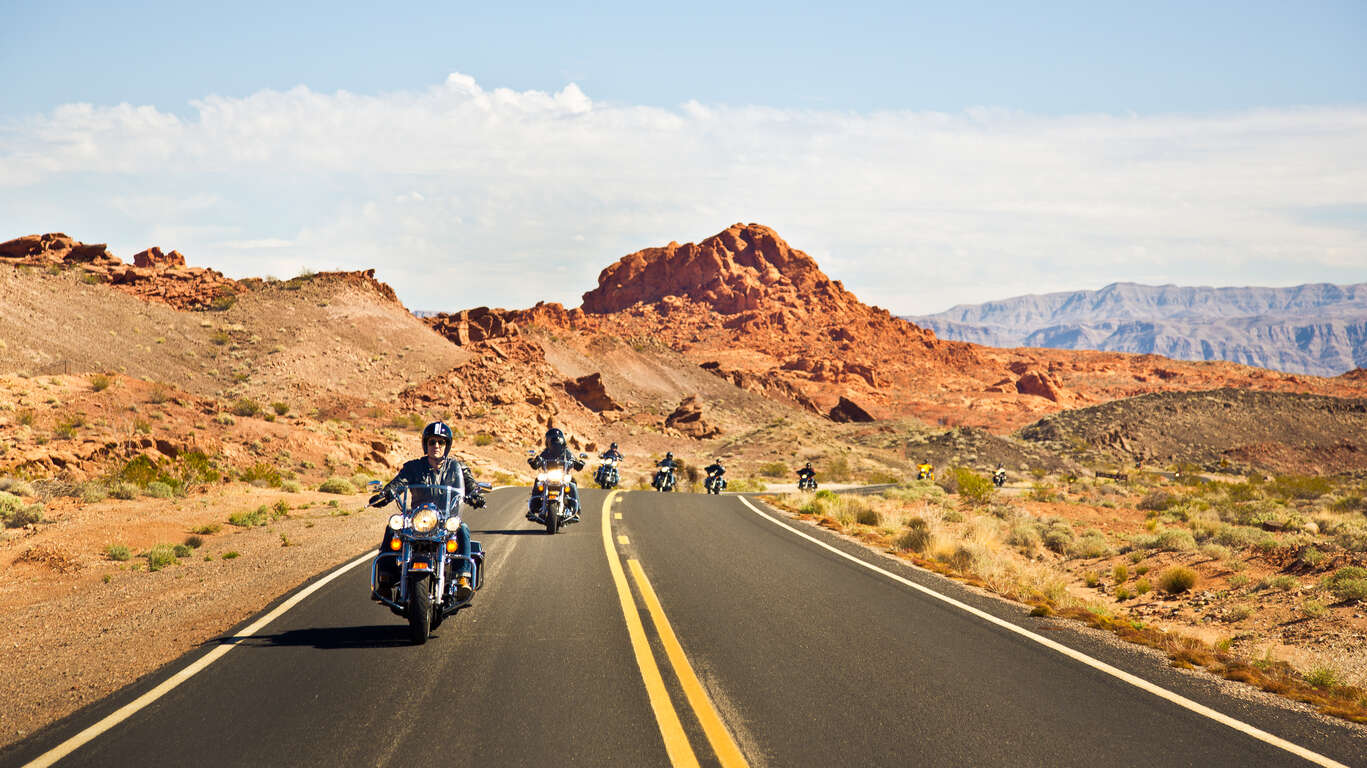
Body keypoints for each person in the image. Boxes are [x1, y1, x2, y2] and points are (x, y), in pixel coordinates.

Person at [369, 421, 485, 602]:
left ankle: (463, 578)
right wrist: (386, 493)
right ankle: (385, 580)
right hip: (417, 518)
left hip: (445, 519)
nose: (436, 446)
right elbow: (399, 483)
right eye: (432, 442)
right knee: (393, 527)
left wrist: (475, 493)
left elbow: (469, 484)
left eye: (441, 442)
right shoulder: (413, 467)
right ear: (426, 444)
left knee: (463, 529)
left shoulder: (457, 468)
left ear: (447, 445)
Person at [527, 427, 586, 520]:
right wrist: (533, 462)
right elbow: (538, 460)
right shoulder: (546, 452)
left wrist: (578, 463)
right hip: (548, 475)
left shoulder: (566, 452)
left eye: (556, 440)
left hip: (562, 476)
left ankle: (577, 510)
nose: (555, 442)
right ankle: (533, 509)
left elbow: (574, 460)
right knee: (538, 481)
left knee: (572, 484)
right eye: (552, 440)